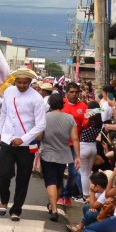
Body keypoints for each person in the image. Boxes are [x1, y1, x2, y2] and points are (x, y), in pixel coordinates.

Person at [0, 69, 47, 221]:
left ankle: (16, 209)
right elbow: (4, 113)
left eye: (25, 83)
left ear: (30, 82)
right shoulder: (9, 92)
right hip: (7, 140)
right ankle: (4, 200)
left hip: (27, 145)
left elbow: (41, 125)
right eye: (19, 82)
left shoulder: (36, 98)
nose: (22, 85)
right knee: (4, 174)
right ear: (14, 81)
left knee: (23, 179)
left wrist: (22, 139)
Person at [40, 94, 78, 222]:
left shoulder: (44, 117)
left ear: (50, 104)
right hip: (64, 153)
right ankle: (52, 205)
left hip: (47, 153)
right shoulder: (70, 118)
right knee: (59, 180)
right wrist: (77, 156)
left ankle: (54, 209)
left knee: (50, 180)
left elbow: (39, 136)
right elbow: (75, 138)